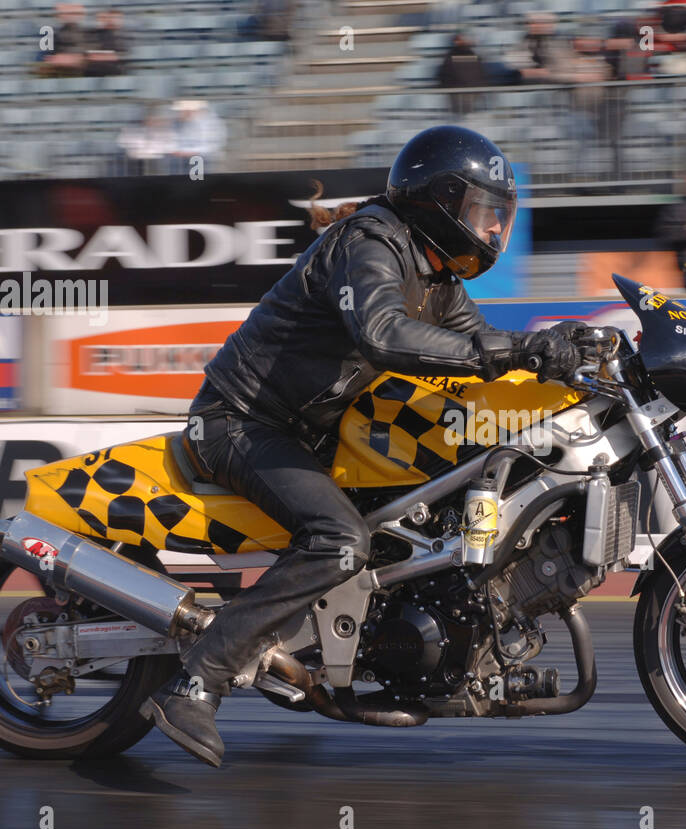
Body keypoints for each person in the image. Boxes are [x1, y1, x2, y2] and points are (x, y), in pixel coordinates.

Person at [140, 126, 585, 767]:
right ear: (440, 201)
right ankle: (197, 680)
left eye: (499, 219)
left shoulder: (437, 280)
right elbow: (382, 332)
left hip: (316, 434)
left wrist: (560, 355)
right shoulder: (368, 241)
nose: (491, 232)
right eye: (483, 215)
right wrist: (513, 349)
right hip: (242, 421)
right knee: (338, 538)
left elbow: (484, 357)